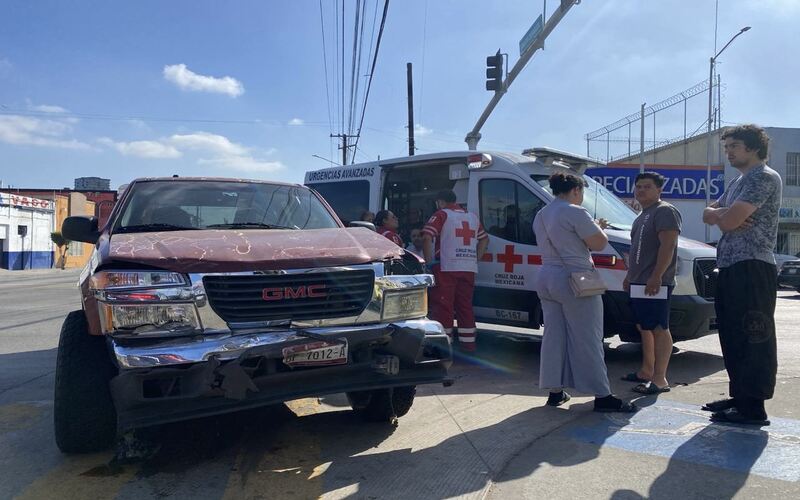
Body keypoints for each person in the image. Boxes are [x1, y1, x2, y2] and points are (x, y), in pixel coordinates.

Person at [533, 172, 637, 413]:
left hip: (546, 275)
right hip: (575, 278)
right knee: (588, 337)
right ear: (576, 191)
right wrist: (598, 227)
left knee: (553, 336)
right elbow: (599, 243)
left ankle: (554, 391)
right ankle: (602, 395)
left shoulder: (541, 214)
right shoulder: (576, 211)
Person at [702, 124, 781, 426]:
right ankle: (739, 396)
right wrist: (722, 215)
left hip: (753, 266)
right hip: (732, 266)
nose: (729, 152)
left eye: (733, 146)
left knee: (754, 333)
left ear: (752, 147)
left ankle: (754, 406)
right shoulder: (739, 181)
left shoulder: (763, 177)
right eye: (727, 147)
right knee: (733, 334)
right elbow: (710, 214)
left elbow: (728, 220)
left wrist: (724, 216)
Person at [621, 172, 682, 394]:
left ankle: (659, 380)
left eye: (647, 186)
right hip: (638, 282)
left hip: (656, 282)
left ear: (659, 190)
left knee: (658, 328)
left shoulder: (665, 211)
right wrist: (630, 276)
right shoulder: (641, 215)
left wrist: (656, 276)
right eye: (638, 187)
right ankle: (646, 372)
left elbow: (668, 246)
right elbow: (638, 251)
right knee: (643, 327)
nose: (641, 190)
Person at [422, 190, 489, 352]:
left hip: (446, 267)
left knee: (444, 306)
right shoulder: (472, 217)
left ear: (440, 202)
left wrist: (429, 262)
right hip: (468, 268)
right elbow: (484, 239)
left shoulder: (441, 215)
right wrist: (475, 259)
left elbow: (426, 236)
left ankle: (444, 347)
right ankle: (469, 345)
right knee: (465, 306)